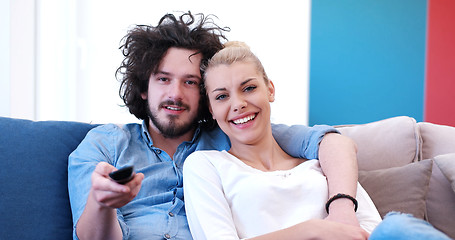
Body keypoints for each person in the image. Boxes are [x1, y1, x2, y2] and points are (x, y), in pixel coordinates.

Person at [68, 12, 360, 240]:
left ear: (207, 95)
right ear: (144, 87)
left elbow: (333, 143)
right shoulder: (106, 143)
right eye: (163, 79)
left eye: (190, 82)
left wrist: (342, 208)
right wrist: (103, 202)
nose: (176, 94)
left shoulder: (233, 132)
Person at [183, 41, 452, 240]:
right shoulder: (205, 165)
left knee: (396, 228)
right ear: (211, 109)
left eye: (249, 88)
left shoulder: (322, 163)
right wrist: (313, 230)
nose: (238, 104)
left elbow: (369, 229)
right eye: (221, 96)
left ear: (270, 90)